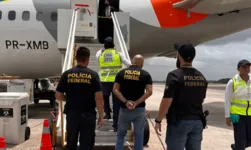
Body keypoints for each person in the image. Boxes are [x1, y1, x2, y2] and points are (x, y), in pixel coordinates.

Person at [154, 43, 208, 150]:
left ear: (179, 56)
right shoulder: (201, 77)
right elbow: (201, 98)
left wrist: (158, 120)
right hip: (197, 122)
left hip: (179, 122)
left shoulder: (174, 75)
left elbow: (167, 100)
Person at [55, 47, 104, 150]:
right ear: (88, 59)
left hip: (72, 114)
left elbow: (58, 95)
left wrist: (68, 99)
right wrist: (101, 115)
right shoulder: (93, 75)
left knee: (71, 143)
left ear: (76, 57)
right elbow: (98, 98)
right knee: (86, 144)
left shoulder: (67, 74)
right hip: (88, 114)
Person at [113, 54, 152, 150]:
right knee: (139, 135)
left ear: (132, 62)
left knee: (121, 134)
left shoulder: (121, 73)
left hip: (124, 109)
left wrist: (126, 102)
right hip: (139, 109)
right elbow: (149, 91)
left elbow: (115, 90)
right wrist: (136, 103)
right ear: (142, 64)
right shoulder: (145, 74)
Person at [96, 36, 131, 131]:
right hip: (116, 82)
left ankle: (107, 113)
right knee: (116, 104)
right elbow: (128, 63)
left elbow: (98, 55)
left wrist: (100, 50)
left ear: (105, 46)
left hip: (104, 81)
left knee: (105, 99)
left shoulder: (100, 54)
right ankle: (116, 125)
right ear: (113, 45)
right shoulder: (118, 54)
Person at [224, 59, 251, 150]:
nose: (247, 68)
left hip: (250, 115)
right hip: (238, 116)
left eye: (248, 66)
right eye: (244, 67)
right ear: (238, 69)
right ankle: (238, 146)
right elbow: (227, 100)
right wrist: (227, 116)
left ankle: (236, 147)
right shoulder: (232, 82)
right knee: (241, 140)